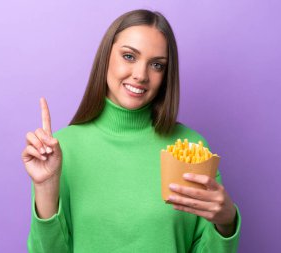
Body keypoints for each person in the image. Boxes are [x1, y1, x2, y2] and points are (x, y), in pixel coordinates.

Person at [22, 9, 241, 253]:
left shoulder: (189, 148)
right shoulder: (61, 149)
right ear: (106, 56)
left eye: (157, 65)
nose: (140, 75)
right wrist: (45, 188)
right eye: (129, 56)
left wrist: (226, 222)